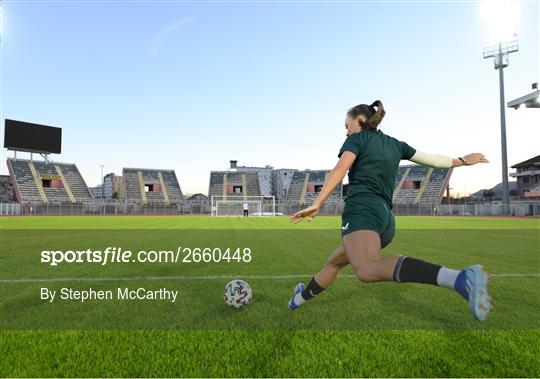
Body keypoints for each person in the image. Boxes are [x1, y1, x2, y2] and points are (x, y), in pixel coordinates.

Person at [288, 100, 492, 321]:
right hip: (385, 221)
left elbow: (341, 167)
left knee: (367, 270)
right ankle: (297, 299)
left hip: (362, 210)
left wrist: (318, 201)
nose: (346, 131)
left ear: (359, 120)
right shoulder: (395, 144)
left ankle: (458, 278)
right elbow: (432, 160)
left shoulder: (357, 139)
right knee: (334, 262)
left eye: (347, 125)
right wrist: (461, 161)